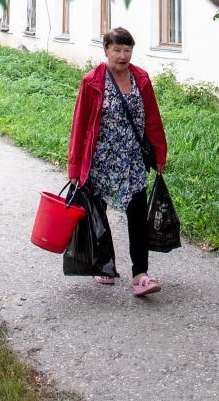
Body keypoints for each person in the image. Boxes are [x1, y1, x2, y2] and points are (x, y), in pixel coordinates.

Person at [66, 26, 168, 296]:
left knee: (137, 216)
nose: (123, 55)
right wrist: (75, 167)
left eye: (127, 50)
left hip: (132, 159)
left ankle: (141, 275)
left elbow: (152, 119)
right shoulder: (92, 81)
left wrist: (159, 153)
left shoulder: (141, 79)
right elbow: (79, 125)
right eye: (117, 50)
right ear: (106, 51)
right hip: (99, 159)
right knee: (97, 213)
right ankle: (105, 265)